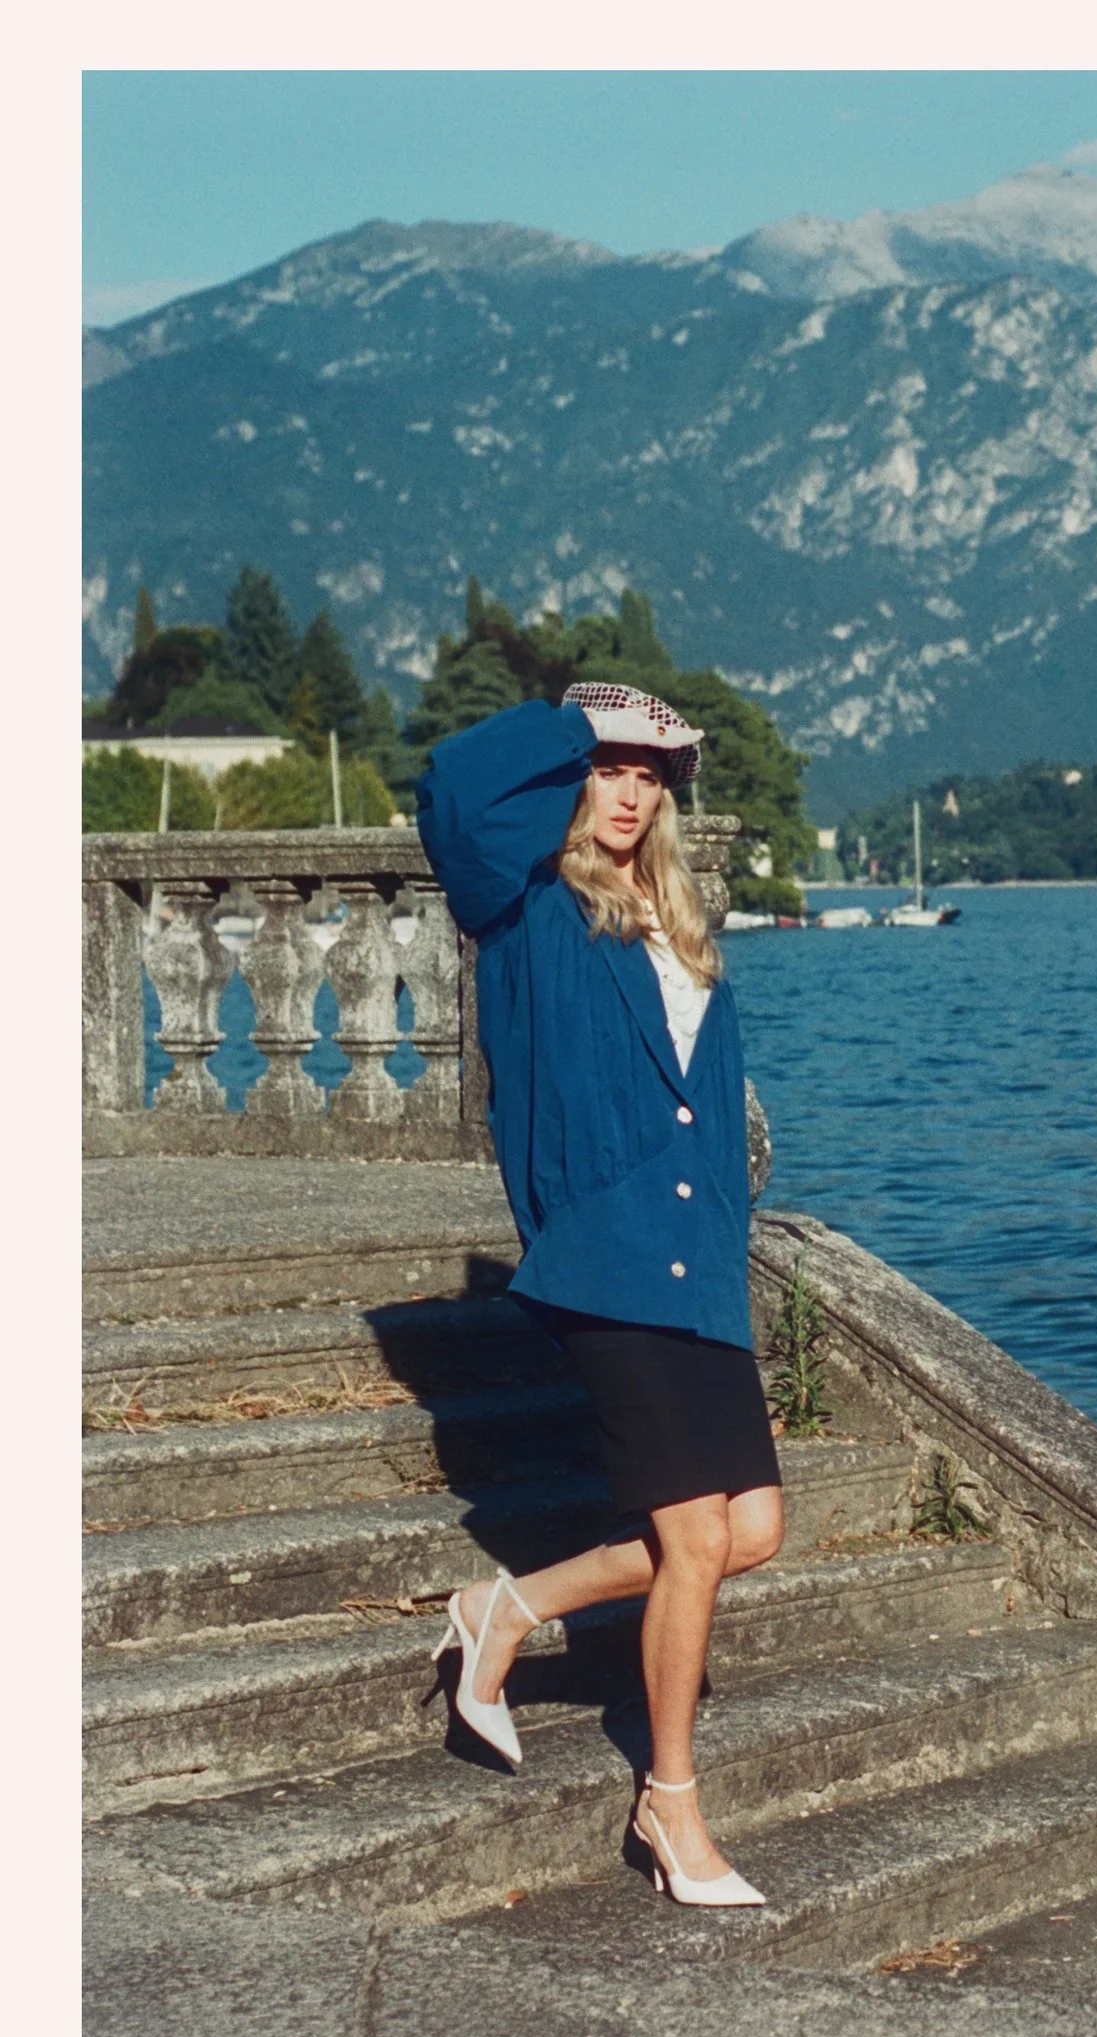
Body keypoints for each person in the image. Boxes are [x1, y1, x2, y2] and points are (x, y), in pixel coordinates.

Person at [414, 682, 783, 1908]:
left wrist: (733, 1271)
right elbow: (456, 791)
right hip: (606, 1255)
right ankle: (670, 1804)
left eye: (648, 774)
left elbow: (711, 1121)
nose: (628, 791)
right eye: (608, 768)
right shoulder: (522, 905)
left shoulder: (677, 923)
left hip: (697, 1263)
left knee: (750, 1532)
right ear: (577, 776)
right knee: (688, 1539)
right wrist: (580, 717)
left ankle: (502, 1607)